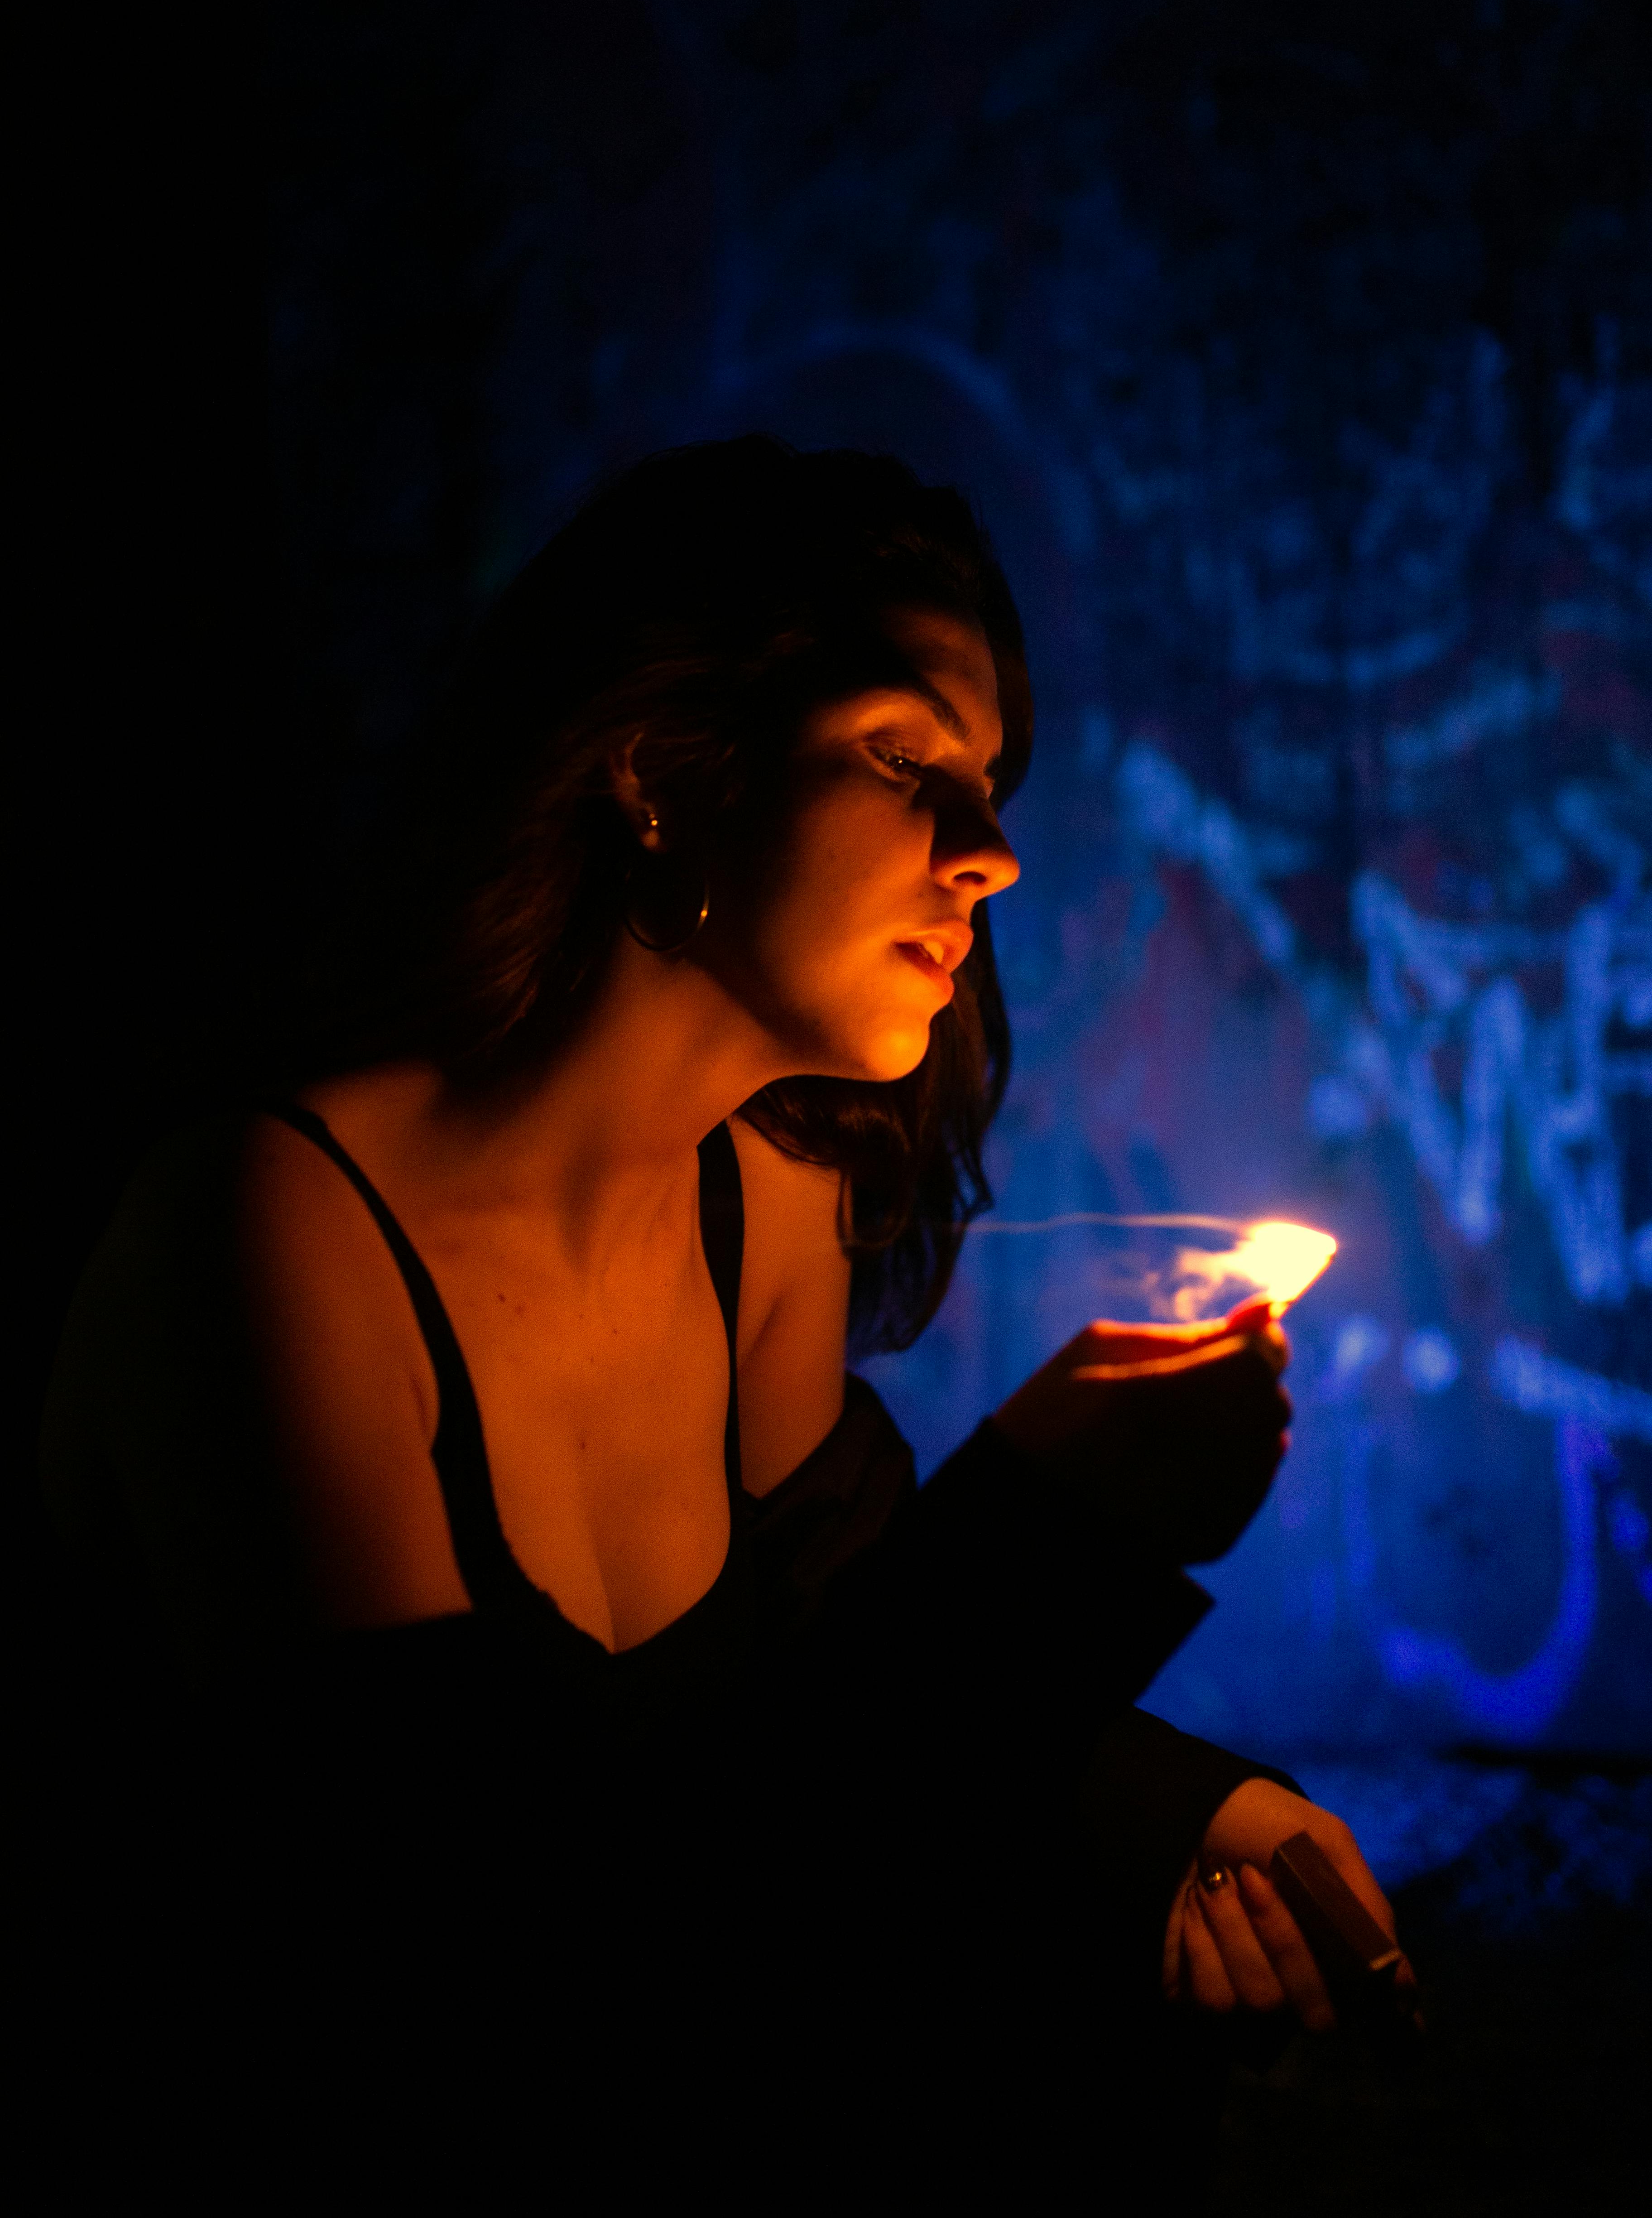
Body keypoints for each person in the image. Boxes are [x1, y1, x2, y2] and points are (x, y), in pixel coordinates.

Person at [41, 436, 1407, 2186]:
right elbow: (526, 2003)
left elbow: (818, 1708)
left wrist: (1176, 1810)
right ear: (659, 772)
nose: (987, 855)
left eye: (991, 781)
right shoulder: (272, 1239)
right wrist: (1059, 1534)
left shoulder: (768, 1199)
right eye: (907, 756)